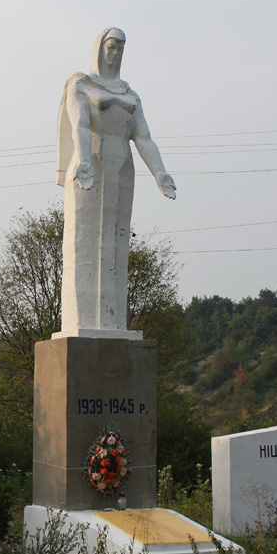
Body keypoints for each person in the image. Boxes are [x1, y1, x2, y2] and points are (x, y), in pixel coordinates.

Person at [56, 27, 176, 338]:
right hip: (90, 162)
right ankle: (81, 321)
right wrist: (83, 160)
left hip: (122, 164)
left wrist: (160, 172)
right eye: (111, 46)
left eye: (121, 47)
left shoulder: (130, 94)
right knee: (85, 241)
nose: (116, 53)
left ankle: (113, 323)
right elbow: (80, 124)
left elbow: (144, 137)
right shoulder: (81, 84)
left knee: (116, 240)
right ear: (100, 48)